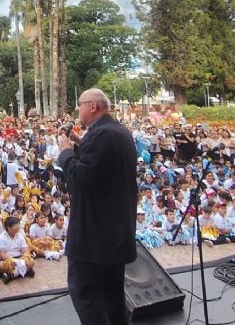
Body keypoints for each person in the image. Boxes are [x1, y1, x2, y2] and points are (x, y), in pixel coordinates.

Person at [58, 88, 137, 325]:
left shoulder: (101, 135)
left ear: (93, 106)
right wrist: (79, 143)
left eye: (79, 104)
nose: (77, 109)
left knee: (87, 293)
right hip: (116, 232)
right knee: (112, 296)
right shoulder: (119, 133)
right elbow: (101, 164)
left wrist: (65, 154)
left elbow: (80, 180)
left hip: (94, 237)